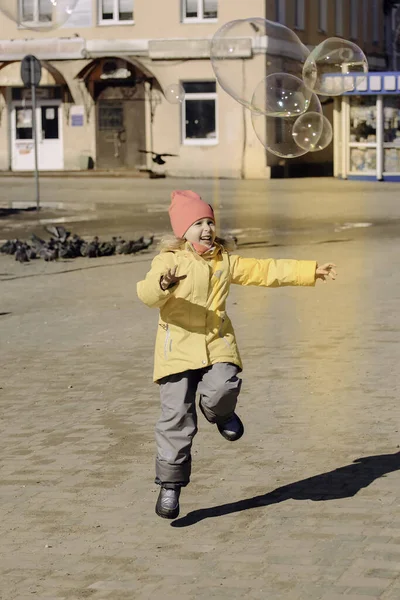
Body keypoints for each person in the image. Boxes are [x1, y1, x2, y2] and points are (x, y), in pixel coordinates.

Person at [137, 190, 337, 520]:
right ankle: (171, 486)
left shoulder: (224, 261)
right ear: (182, 231)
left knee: (224, 387)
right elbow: (146, 294)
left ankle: (218, 412)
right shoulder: (168, 261)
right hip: (176, 348)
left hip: (216, 340)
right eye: (198, 223)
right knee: (176, 419)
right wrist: (163, 283)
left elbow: (266, 270)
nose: (206, 229)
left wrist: (309, 270)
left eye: (209, 222)